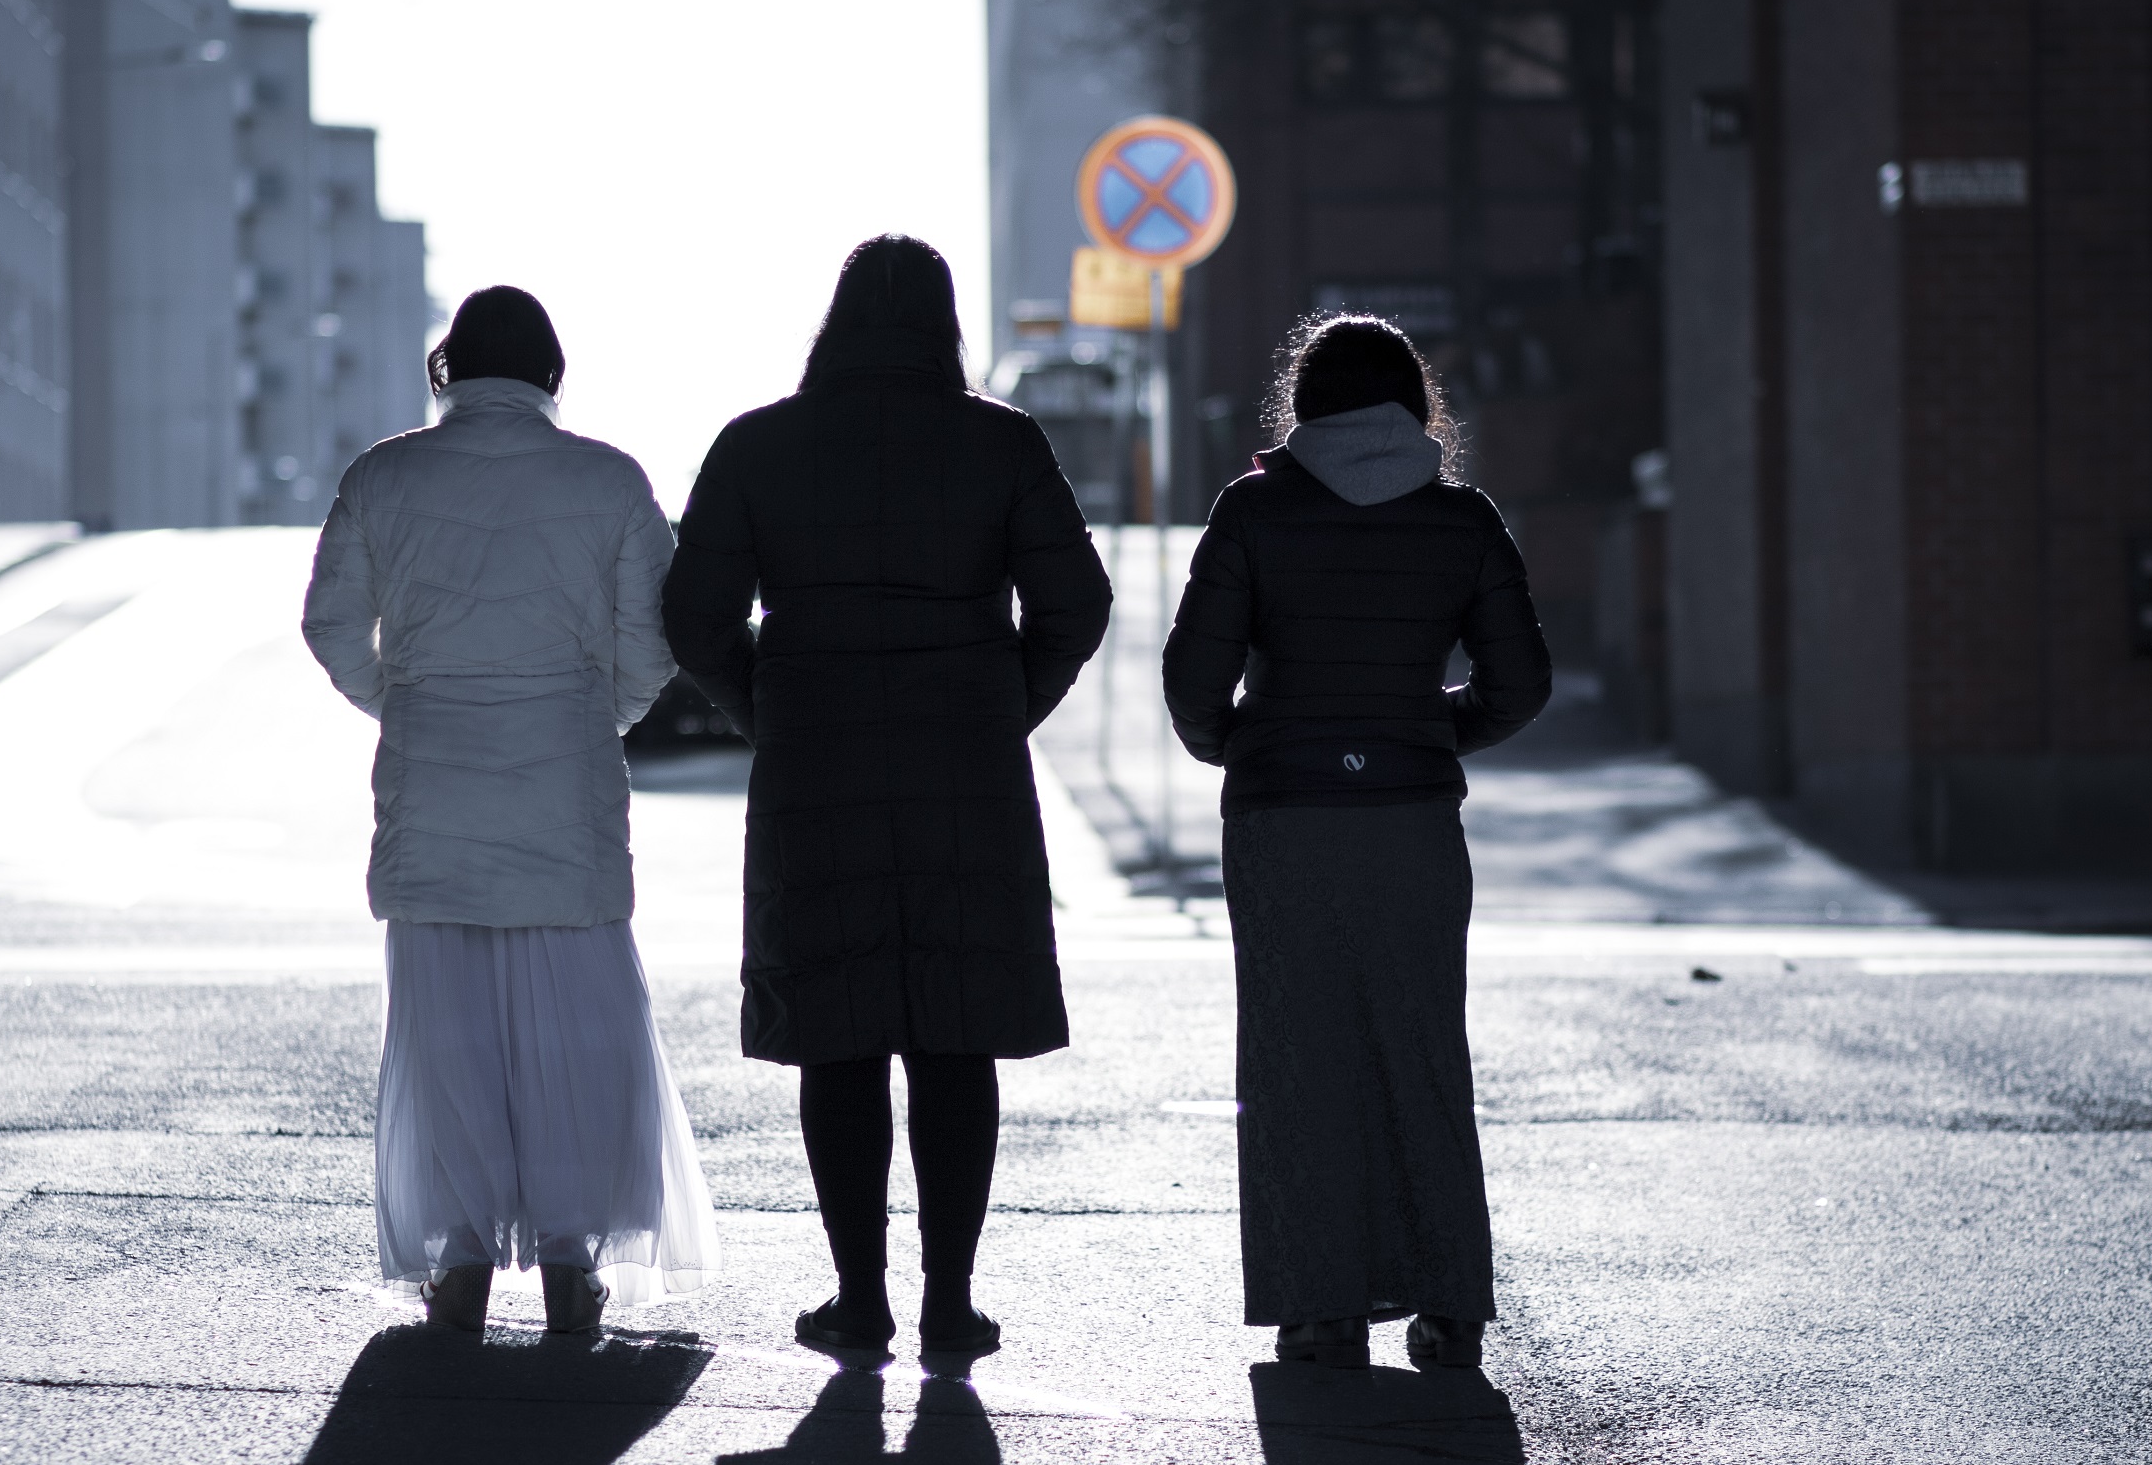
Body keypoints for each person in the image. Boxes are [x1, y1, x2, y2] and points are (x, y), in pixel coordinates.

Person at [662, 235, 1111, 1358]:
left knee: (839, 1030)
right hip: (965, 761)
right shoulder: (1000, 442)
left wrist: (767, 705)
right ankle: (950, 1303)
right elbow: (1078, 601)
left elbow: (692, 615)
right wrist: (1006, 699)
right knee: (956, 1033)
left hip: (818, 765)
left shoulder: (759, 444)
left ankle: (857, 1297)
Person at [303, 285, 720, 1335]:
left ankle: (462, 1252)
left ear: (449, 369)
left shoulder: (382, 474)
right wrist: (596, 715)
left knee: (446, 1029)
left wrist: (402, 699)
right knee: (580, 1020)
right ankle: (575, 1256)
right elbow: (652, 642)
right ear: (550, 373)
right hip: (565, 787)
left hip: (432, 782)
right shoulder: (610, 479)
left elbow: (331, 624)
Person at [1161, 315, 1550, 1370]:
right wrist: (1423, 733)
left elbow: (1192, 687)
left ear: (1305, 405)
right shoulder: (1461, 519)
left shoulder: (1252, 511)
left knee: (1296, 1060)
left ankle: (1318, 1307)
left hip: (1283, 823)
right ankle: (1449, 1305)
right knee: (1421, 1054)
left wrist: (1249, 746)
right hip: (1412, 821)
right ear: (1414, 405)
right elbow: (1521, 683)